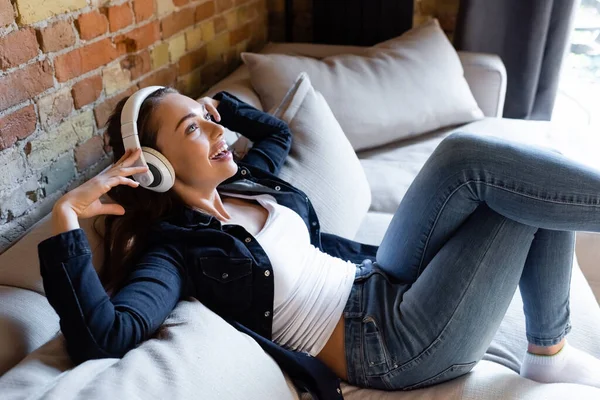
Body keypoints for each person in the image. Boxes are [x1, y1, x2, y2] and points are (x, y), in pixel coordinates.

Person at [38, 86, 600, 399]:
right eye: (192, 129)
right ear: (156, 166)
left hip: (381, 276)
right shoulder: (175, 251)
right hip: (388, 345)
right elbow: (106, 336)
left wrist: (220, 106)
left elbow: (276, 132)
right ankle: (547, 355)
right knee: (516, 200)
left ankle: (547, 352)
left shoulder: (245, 183)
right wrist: (66, 219)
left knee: (469, 155)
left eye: (205, 118)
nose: (217, 132)